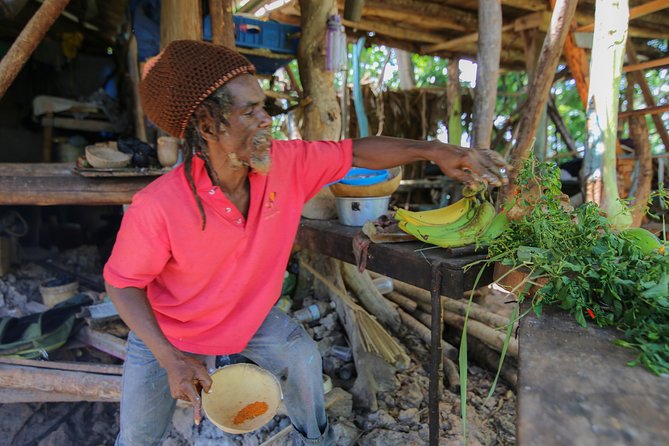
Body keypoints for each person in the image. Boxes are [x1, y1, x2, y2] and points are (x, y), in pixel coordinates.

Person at [103, 39, 509, 446]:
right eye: (250, 111)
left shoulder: (286, 165)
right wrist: (168, 357)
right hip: (169, 332)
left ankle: (315, 439)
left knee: (303, 357)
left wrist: (435, 150)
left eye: (264, 107)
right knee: (137, 436)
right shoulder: (159, 206)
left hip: (247, 320)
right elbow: (121, 284)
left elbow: (356, 153)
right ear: (208, 126)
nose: (267, 120)